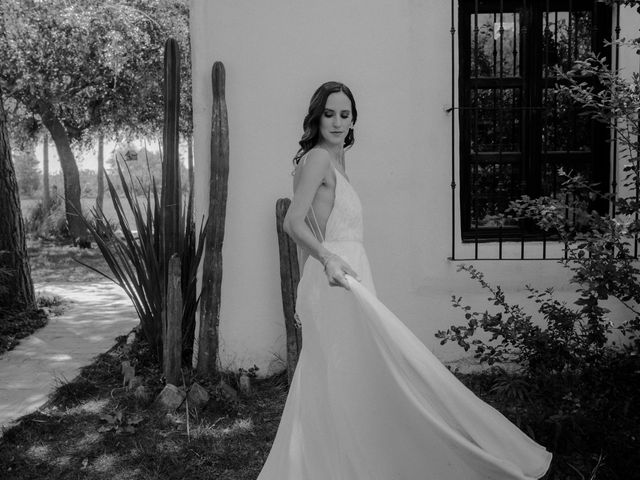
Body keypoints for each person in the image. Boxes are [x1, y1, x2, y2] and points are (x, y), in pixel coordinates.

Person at [257, 81, 552, 480]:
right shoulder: (317, 161)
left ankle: (340, 463)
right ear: (316, 116)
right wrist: (322, 265)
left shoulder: (337, 161)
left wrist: (317, 271)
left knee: (354, 375)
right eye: (330, 113)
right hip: (334, 279)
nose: (338, 122)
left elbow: (315, 226)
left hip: (343, 273)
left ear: (354, 119)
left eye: (345, 114)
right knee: (346, 375)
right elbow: (295, 222)